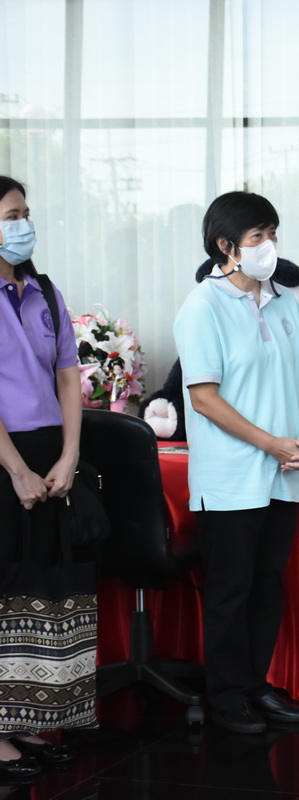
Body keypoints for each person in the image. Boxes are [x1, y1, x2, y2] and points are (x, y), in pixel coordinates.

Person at [173, 191, 299, 734]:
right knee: (230, 589)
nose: (269, 245)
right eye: (258, 236)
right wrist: (270, 443)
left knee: (266, 584)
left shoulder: (283, 301)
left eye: (272, 234)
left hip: (284, 471)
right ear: (226, 246)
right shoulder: (202, 307)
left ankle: (256, 685)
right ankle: (228, 696)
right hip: (231, 475)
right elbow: (203, 398)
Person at [0, 176, 90, 781]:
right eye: (11, 214)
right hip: (5, 456)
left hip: (50, 453)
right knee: (4, 589)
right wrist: (16, 469)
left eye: (26, 213)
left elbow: (67, 376)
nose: (23, 224)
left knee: (40, 590)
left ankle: (24, 718)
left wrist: (69, 456)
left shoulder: (44, 290)